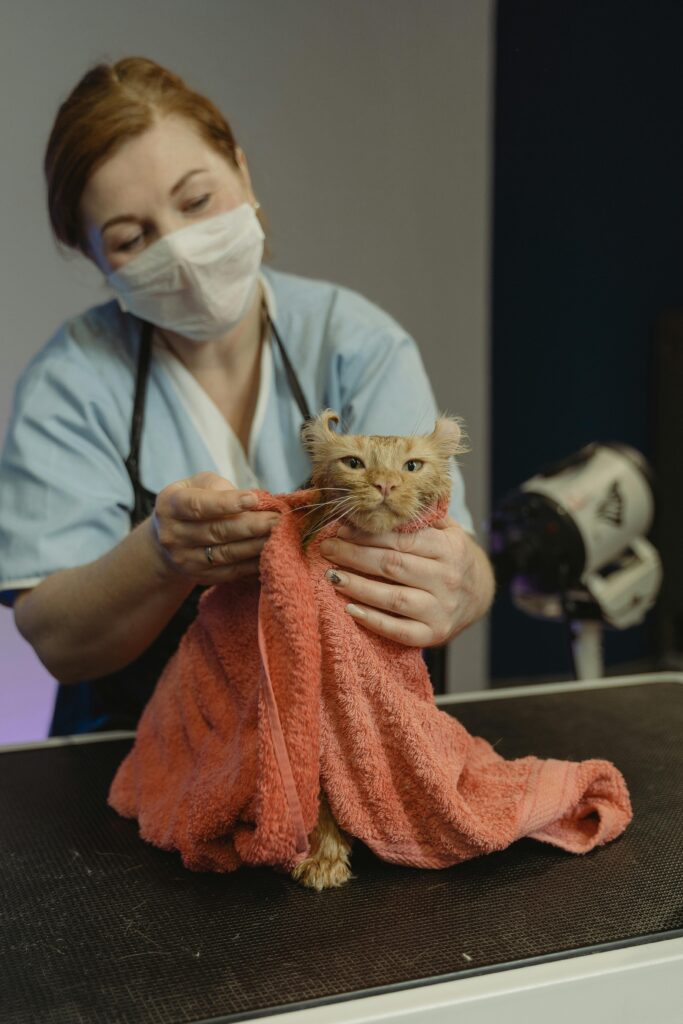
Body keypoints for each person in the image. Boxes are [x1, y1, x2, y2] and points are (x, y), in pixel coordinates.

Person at [0, 57, 495, 736]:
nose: (178, 249)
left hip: (351, 736)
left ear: (242, 171)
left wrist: (468, 582)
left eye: (197, 201)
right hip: (132, 754)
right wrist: (161, 557)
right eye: (130, 237)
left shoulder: (355, 341)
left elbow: (449, 552)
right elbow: (58, 641)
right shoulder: (73, 382)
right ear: (94, 259)